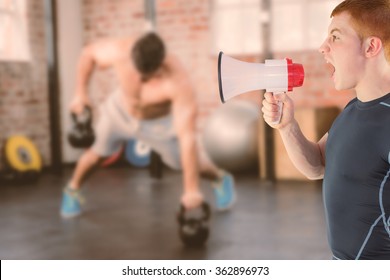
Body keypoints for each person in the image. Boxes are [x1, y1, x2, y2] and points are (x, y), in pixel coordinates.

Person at [262, 0, 390, 260]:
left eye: (336, 37)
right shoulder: (353, 110)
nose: (323, 47)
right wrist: (287, 126)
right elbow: (317, 166)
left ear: (371, 47)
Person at [61, 32, 235, 218]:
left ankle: (220, 178)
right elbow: (88, 53)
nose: (139, 80)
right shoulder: (121, 51)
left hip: (159, 124)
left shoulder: (179, 82)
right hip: (119, 111)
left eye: (147, 77)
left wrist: (191, 190)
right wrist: (80, 93)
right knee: (95, 155)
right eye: (137, 72)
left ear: (159, 66)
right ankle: (72, 190)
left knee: (188, 163)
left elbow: (187, 138)